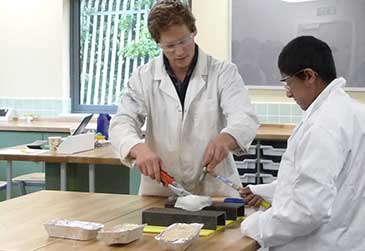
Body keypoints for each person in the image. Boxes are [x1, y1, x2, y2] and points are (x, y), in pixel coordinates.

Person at [109, 0, 258, 197]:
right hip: (162, 191)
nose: (179, 52)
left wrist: (226, 139)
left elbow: (244, 117)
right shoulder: (144, 77)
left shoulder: (222, 72)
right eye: (169, 46)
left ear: (193, 31)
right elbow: (122, 122)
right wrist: (137, 147)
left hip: (214, 191)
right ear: (158, 43)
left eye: (183, 41)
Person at [240, 35, 365, 250]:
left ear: (309, 76)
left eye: (289, 82)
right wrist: (265, 191)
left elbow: (308, 210)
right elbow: (329, 184)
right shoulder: (353, 112)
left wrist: (255, 225)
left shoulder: (323, 126)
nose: (288, 93)